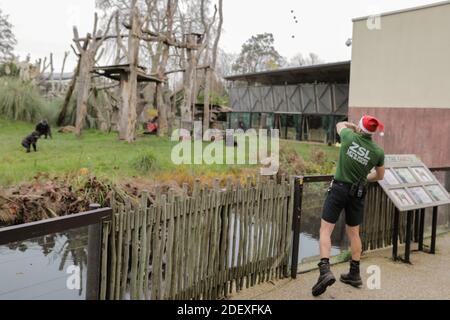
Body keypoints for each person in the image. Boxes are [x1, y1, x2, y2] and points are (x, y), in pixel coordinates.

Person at [312, 115, 386, 297]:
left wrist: (353, 126)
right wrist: (363, 179)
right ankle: (354, 273)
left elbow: (339, 124)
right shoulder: (377, 151)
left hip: (338, 189)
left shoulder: (348, 136)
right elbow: (380, 176)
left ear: (360, 128)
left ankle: (324, 271)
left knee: (325, 230)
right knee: (354, 233)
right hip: (358, 193)